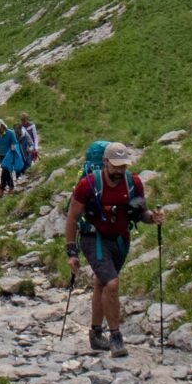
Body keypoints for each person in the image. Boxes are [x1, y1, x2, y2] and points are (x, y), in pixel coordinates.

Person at [65, 144, 159, 355]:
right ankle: (116, 338)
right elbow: (72, 217)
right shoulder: (88, 185)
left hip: (120, 240)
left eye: (123, 166)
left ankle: (96, 334)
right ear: (105, 162)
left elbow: (141, 213)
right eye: (115, 166)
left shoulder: (133, 182)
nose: (119, 170)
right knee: (111, 282)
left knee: (103, 283)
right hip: (93, 238)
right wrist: (71, 251)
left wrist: (153, 218)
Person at [0, 118, 25, 193]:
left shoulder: (10, 133)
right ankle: (11, 186)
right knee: (6, 171)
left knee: (5, 169)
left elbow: (15, 142)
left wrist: (13, 146)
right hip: (1, 154)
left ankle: (2, 187)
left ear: (2, 126)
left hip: (9, 155)